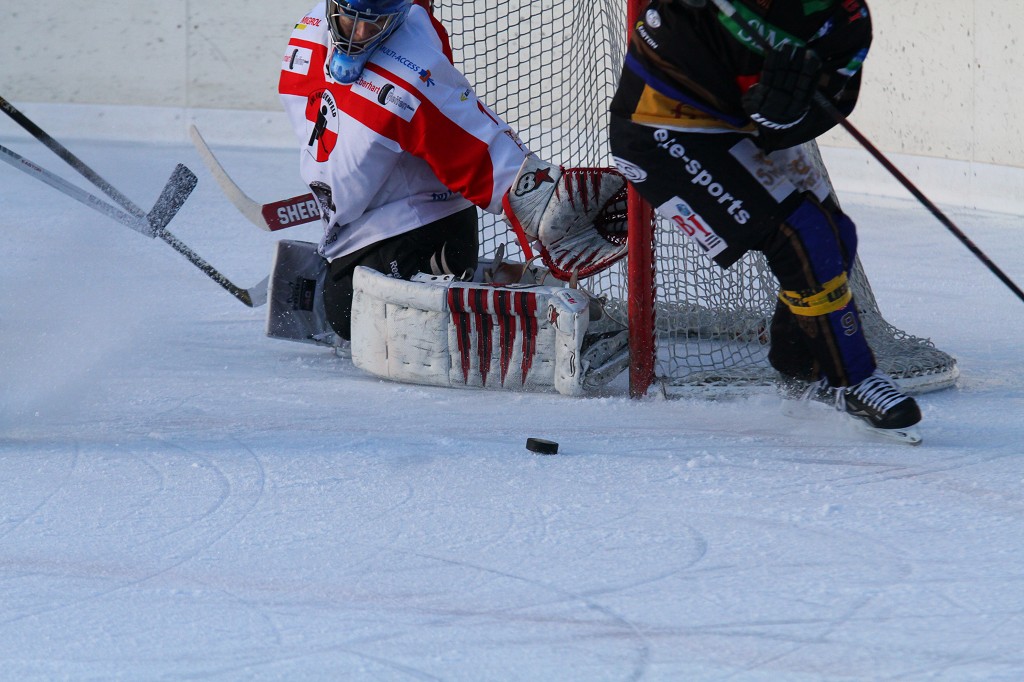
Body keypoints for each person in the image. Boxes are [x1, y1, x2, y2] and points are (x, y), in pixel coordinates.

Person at [608, 0, 923, 441]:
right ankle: (852, 380)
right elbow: (668, 52)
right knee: (801, 233)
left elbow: (832, 99)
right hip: (659, 128)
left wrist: (789, 119)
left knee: (835, 238)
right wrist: (761, 105)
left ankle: (803, 373)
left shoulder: (846, 19)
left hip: (745, 131)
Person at [278, 0, 532, 342]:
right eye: (350, 20)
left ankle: (503, 308)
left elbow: (481, 149)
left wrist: (542, 199)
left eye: (375, 23)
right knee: (343, 308)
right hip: (367, 220)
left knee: (348, 315)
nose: (359, 34)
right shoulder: (309, 30)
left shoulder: (411, 72)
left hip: (423, 224)